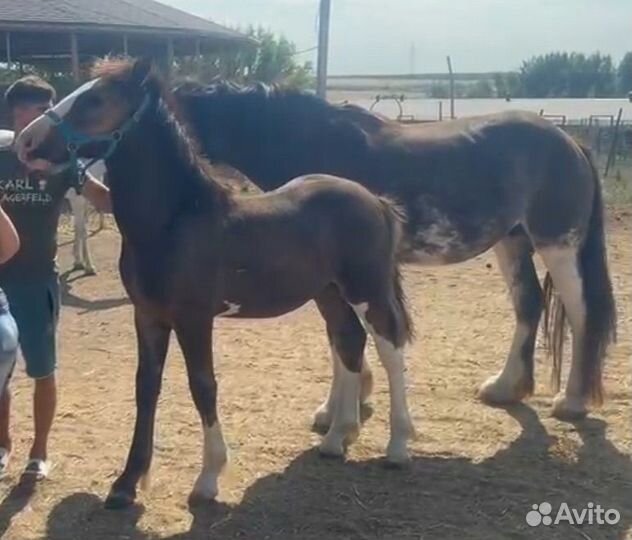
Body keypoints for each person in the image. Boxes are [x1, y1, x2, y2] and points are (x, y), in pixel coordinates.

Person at [0, 75, 111, 480]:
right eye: (20, 109)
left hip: (36, 282)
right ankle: (3, 445)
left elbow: (104, 200)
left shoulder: (68, 164)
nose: (26, 117)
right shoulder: (1, 155)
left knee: (42, 370)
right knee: (0, 373)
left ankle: (40, 451)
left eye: (36, 109)